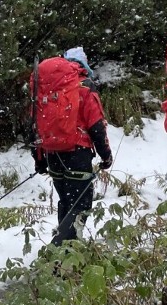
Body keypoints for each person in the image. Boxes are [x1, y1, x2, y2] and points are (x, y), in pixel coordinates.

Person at [35, 47, 113, 245]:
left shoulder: (47, 88)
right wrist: (106, 156)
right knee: (80, 205)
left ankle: (68, 247)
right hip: (78, 153)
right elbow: (96, 126)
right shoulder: (84, 87)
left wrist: (39, 158)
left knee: (67, 202)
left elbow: (37, 125)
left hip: (53, 154)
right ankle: (60, 252)